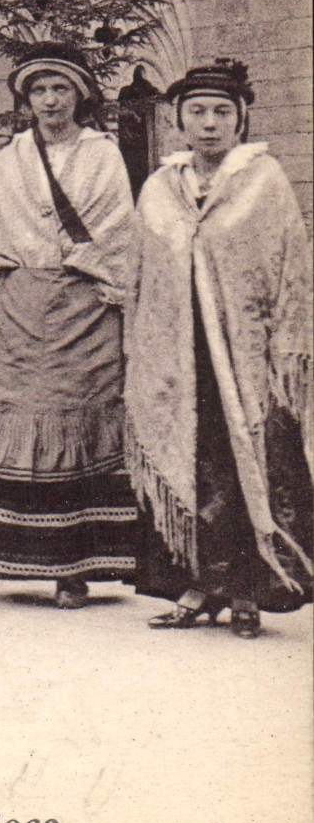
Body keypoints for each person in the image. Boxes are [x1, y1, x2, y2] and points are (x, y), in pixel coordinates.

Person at [0, 42, 140, 608]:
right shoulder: (12, 158)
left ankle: (71, 569)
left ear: (81, 96)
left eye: (61, 89)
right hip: (19, 307)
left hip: (84, 309)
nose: (50, 101)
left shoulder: (103, 155)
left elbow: (118, 235)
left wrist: (78, 269)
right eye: (39, 90)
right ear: (26, 99)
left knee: (75, 424)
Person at [127, 59, 312, 637]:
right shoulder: (160, 187)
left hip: (246, 359)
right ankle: (197, 585)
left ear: (241, 120)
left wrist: (286, 347)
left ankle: (249, 591)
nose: (209, 124)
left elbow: (291, 270)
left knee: (244, 468)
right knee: (192, 463)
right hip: (177, 357)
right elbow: (138, 273)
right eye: (197, 113)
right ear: (179, 121)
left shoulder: (264, 181)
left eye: (222, 113)